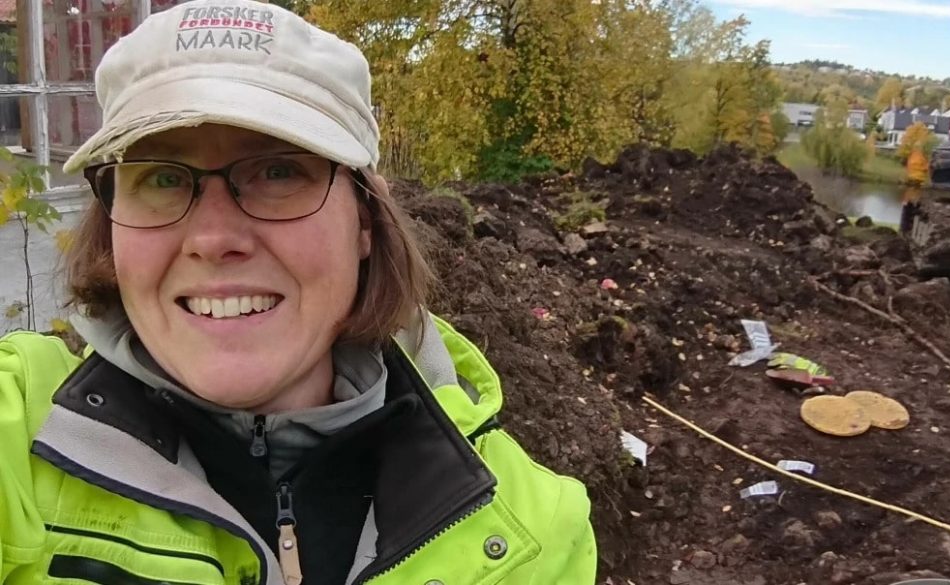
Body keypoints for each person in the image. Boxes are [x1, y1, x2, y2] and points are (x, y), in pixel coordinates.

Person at [0, 1, 597, 583]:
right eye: (160, 176)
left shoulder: (529, 537)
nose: (213, 238)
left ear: (365, 219)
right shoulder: (17, 439)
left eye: (278, 171)